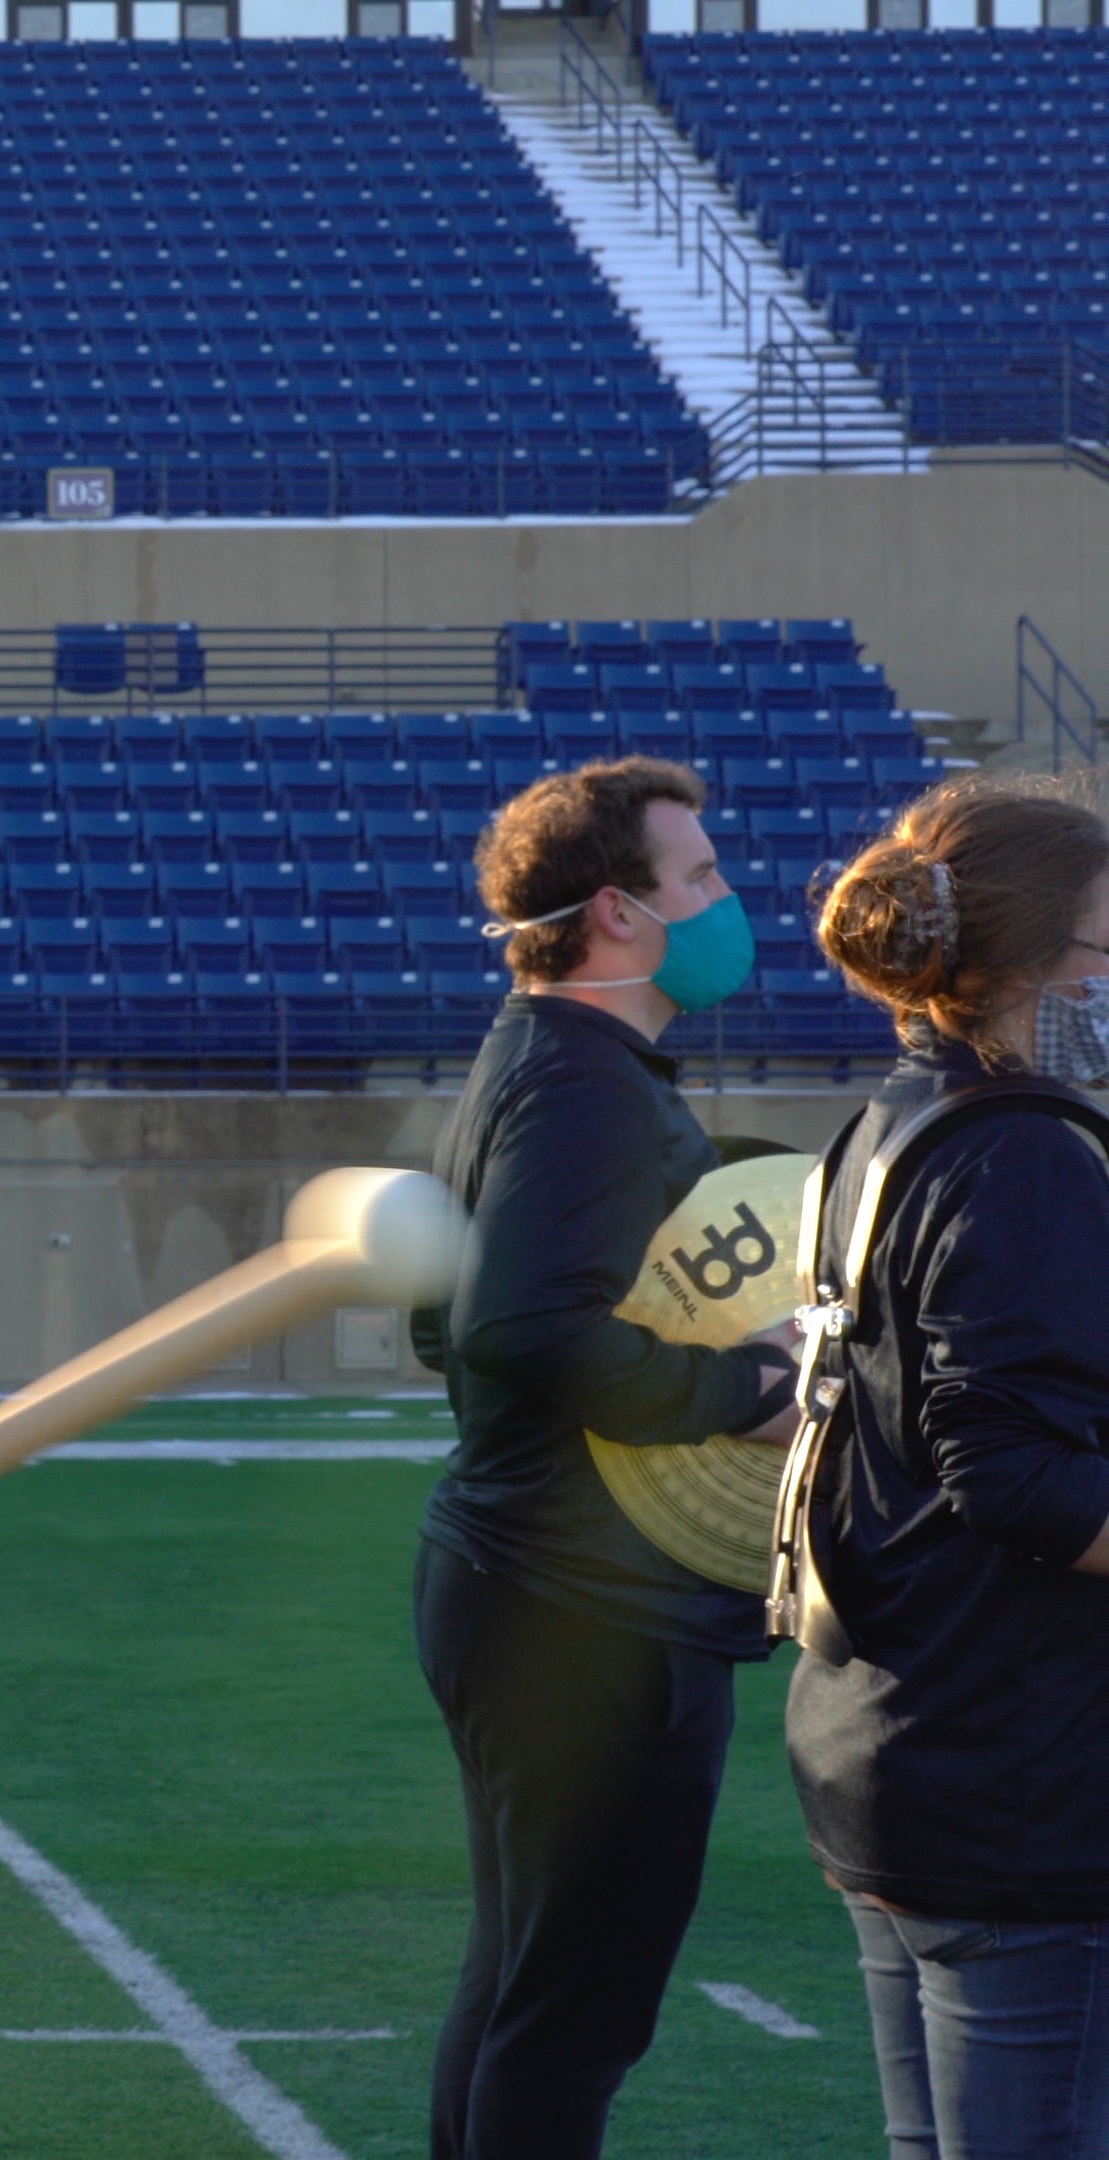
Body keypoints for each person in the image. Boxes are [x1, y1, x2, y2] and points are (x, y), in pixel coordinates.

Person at [417, 756, 800, 2159]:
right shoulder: (582, 1084)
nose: (727, 899)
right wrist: (742, 1389)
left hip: (535, 1584)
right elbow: (515, 1328)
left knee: (524, 1988)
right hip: (589, 1611)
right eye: (699, 877)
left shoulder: (541, 1055)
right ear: (616, 916)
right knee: (572, 2018)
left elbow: (444, 1321)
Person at [790, 780, 1109, 2160]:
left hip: (898, 1734)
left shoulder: (894, 1117)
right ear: (1032, 960)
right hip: (1012, 1775)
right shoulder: (1023, 1149)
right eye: (1107, 944)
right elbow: (1018, 1477)